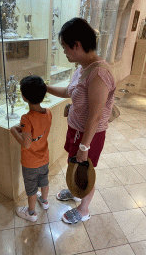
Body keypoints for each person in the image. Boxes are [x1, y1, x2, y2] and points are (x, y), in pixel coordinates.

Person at [46, 17, 116, 224]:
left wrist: (85, 146)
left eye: (65, 47)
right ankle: (75, 190)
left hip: (90, 136)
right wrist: (45, 87)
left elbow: (95, 116)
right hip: (77, 130)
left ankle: (84, 209)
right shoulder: (82, 67)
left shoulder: (99, 73)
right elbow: (70, 91)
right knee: (74, 164)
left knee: (86, 169)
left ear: (76, 45)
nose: (65, 52)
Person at [10, 75, 52, 222]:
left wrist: (14, 131)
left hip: (30, 163)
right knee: (44, 181)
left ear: (24, 97)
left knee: (32, 189)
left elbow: (26, 144)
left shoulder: (26, 119)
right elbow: (39, 131)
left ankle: (31, 212)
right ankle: (45, 202)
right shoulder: (48, 112)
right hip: (44, 158)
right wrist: (26, 131)